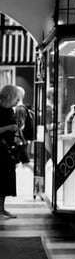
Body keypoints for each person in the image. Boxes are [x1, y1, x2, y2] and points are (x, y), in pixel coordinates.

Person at [0, 84, 22, 219]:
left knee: (6, 180)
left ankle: (2, 209)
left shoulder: (10, 111)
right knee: (1, 179)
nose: (18, 102)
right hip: (0, 149)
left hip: (8, 149)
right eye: (16, 99)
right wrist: (9, 127)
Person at [14, 86, 32, 164]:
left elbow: (20, 124)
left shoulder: (19, 109)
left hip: (20, 139)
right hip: (21, 138)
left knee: (23, 161)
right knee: (24, 160)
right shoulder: (21, 108)